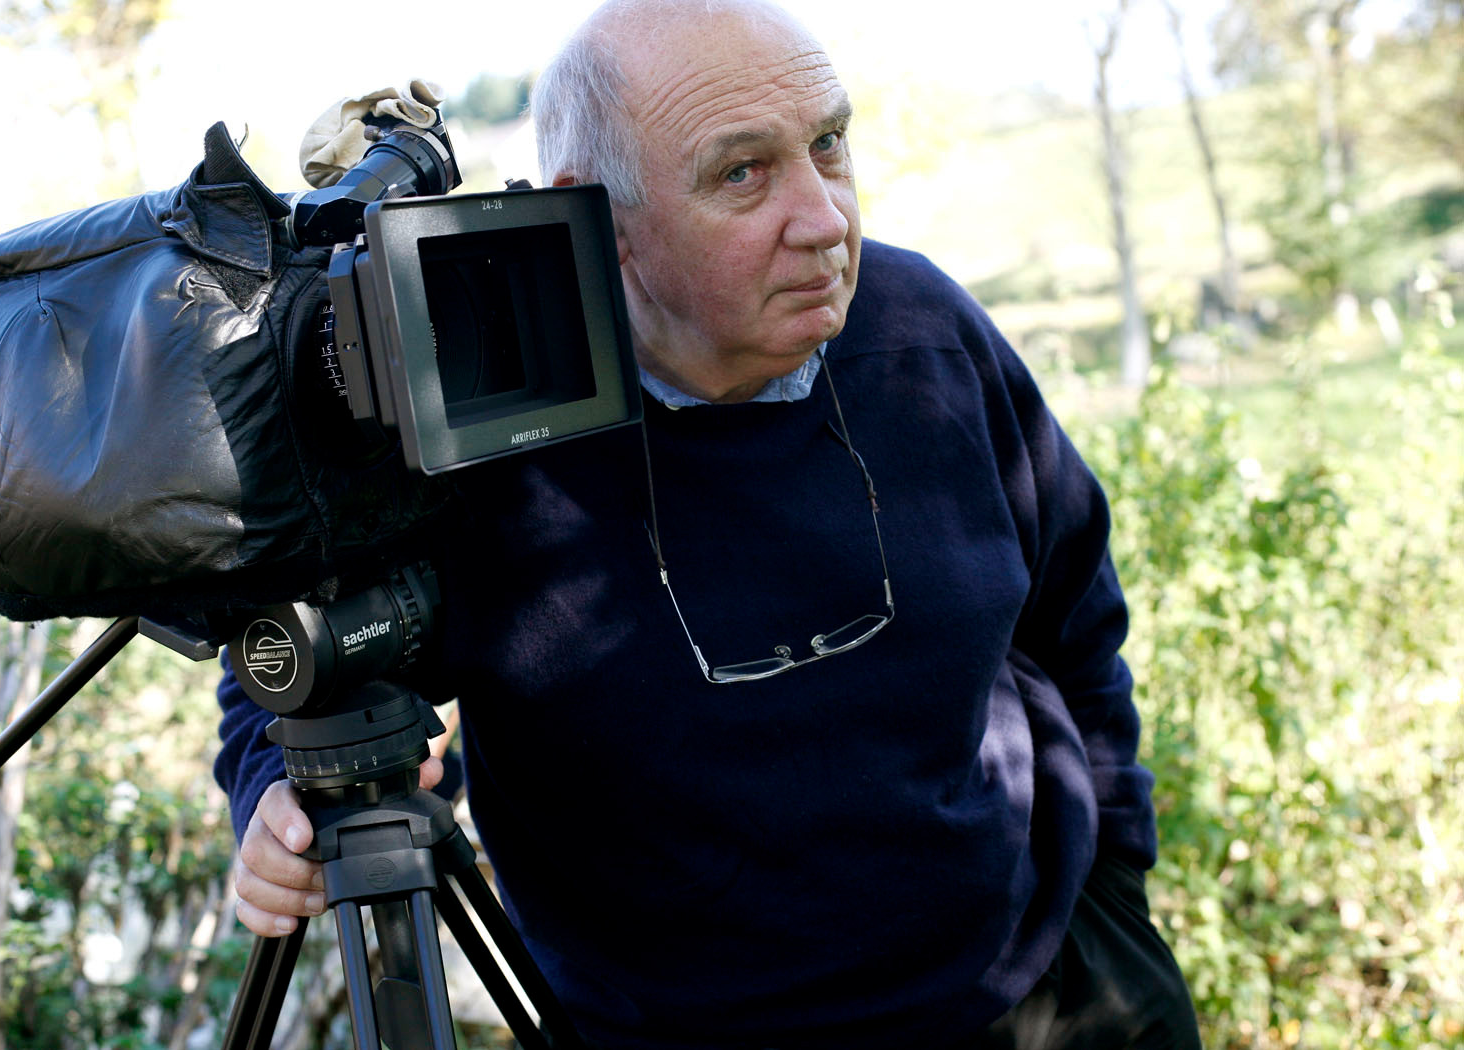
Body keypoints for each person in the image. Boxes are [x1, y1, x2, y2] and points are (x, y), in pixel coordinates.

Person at [215, 1, 1202, 1046]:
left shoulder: (922, 327)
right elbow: (303, 662)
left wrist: (1117, 887)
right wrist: (279, 797)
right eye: (742, 173)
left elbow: (1076, 619)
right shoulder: (478, 425)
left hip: (1051, 992)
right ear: (598, 219)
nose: (824, 219)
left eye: (829, 144)